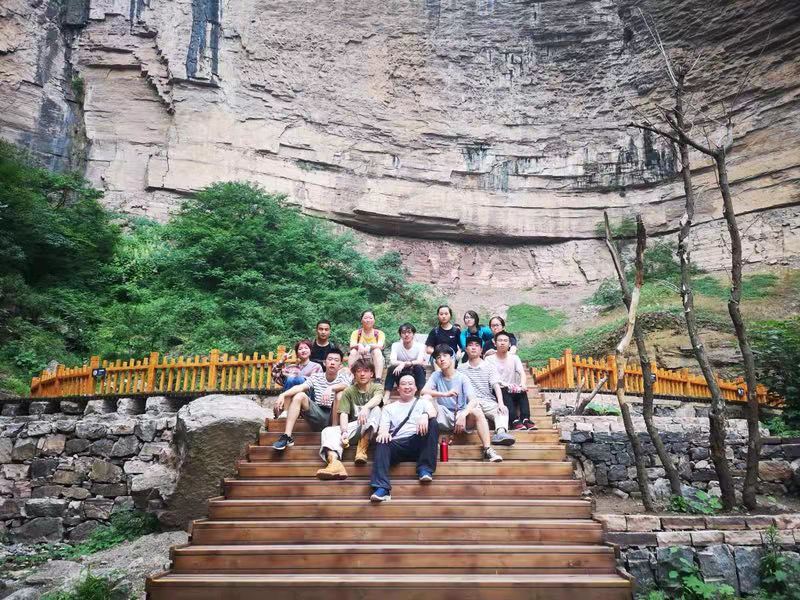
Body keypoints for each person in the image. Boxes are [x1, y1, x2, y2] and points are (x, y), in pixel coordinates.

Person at [421, 344, 504, 462]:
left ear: (452, 358)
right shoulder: (436, 375)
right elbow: (423, 391)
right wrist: (445, 394)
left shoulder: (462, 377)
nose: (442, 359)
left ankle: (488, 449)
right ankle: (426, 445)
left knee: (477, 411)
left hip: (460, 415)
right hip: (443, 414)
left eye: (445, 356)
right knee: (426, 398)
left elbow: (473, 400)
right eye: (438, 357)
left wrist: (463, 414)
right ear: (437, 362)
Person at [369, 373, 439, 502]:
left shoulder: (423, 402)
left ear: (416, 388)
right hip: (398, 445)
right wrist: (383, 433)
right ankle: (382, 488)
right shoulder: (389, 408)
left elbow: (433, 412)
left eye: (410, 384)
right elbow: (383, 428)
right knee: (382, 440)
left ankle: (425, 468)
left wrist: (425, 415)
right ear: (398, 389)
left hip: (418, 442)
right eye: (403, 384)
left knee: (433, 422)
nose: (407, 386)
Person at [316, 358, 383, 480]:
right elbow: (344, 413)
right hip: (356, 426)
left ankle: (362, 449)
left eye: (366, 371)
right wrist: (344, 431)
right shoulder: (349, 391)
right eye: (359, 371)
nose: (362, 374)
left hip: (372, 430)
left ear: (372, 374)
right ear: (354, 374)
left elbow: (378, 399)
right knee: (327, 431)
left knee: (376, 409)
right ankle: (334, 463)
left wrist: (366, 407)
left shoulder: (377, 387)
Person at [272, 349, 352, 450]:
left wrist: (331, 388)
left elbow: (346, 386)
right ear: (324, 362)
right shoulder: (316, 377)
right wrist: (283, 394)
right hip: (319, 414)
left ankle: (334, 431)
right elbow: (301, 387)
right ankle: (287, 436)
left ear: (340, 365)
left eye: (336, 360)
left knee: (340, 394)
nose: (332, 362)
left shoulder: (344, 377)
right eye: (330, 359)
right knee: (299, 395)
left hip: (336, 416)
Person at [457, 336, 515, 445]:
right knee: (475, 411)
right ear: (466, 349)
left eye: (477, 345)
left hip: (487, 400)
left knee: (503, 410)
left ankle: (501, 433)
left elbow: (496, 385)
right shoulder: (460, 369)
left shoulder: (489, 366)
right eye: (470, 345)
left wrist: (501, 403)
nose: (473, 348)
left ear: (481, 350)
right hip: (471, 403)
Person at [486, 330, 536, 430]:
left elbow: (522, 373)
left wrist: (522, 384)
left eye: (505, 341)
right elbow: (492, 379)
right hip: (497, 390)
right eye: (500, 340)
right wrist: (506, 385)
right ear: (495, 343)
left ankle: (526, 419)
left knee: (522, 390)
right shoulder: (489, 359)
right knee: (504, 389)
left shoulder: (514, 358)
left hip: (513, 388)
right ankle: (514, 421)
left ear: (509, 344)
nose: (502, 343)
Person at [383, 323, 427, 403]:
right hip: (400, 374)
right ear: (400, 335)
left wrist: (403, 364)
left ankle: (421, 393)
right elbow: (392, 361)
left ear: (413, 334)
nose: (406, 335)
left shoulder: (420, 346)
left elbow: (420, 361)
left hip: (414, 373)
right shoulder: (395, 345)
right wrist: (402, 365)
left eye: (409, 332)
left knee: (418, 367)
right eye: (403, 333)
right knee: (391, 368)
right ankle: (387, 395)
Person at [349, 310, 386, 382]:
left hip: (373, 360)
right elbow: (351, 345)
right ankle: (352, 378)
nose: (368, 320)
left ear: (374, 320)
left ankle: (378, 379)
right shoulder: (356, 333)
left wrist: (369, 346)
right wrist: (359, 345)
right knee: (353, 351)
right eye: (365, 318)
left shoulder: (379, 333)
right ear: (361, 320)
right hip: (360, 359)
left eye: (370, 318)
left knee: (377, 350)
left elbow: (380, 346)